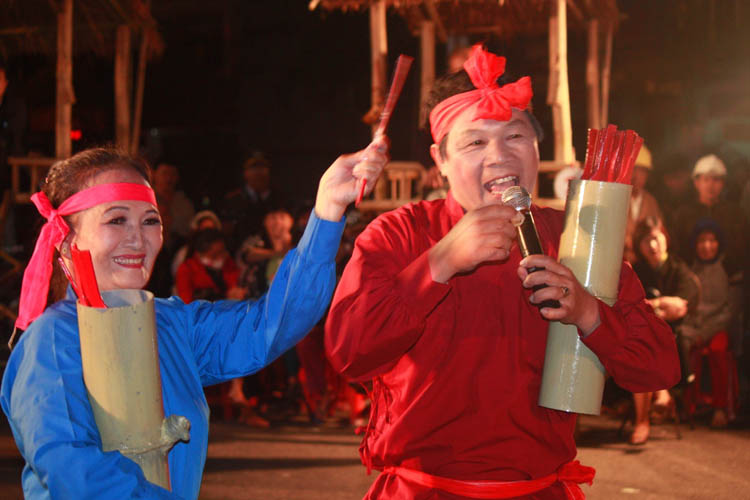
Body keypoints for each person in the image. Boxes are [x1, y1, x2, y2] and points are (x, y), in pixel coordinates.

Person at [325, 45, 680, 499]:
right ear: (440, 160)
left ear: (536, 147)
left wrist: (589, 313)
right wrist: (440, 262)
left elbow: (659, 367)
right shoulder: (399, 234)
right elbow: (348, 352)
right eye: (475, 142)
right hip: (423, 491)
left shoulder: (577, 239)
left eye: (515, 136)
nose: (500, 156)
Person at [1, 141, 388, 499]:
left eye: (150, 220)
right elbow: (76, 472)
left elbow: (272, 324)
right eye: (116, 220)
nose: (138, 238)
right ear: (67, 240)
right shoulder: (52, 340)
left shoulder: (171, 325)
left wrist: (327, 210)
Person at [630, 216, 700, 444]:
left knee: (647, 346)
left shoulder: (679, 269)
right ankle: (660, 394)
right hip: (639, 338)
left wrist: (651, 306)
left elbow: (679, 308)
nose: (652, 245)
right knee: (641, 346)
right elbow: (627, 306)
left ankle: (643, 421)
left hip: (676, 338)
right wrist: (661, 306)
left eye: (656, 238)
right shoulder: (635, 271)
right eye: (646, 241)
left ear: (665, 238)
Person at [682, 218, 736, 428]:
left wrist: (704, 333)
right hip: (694, 327)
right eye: (702, 241)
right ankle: (687, 406)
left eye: (711, 240)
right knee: (682, 347)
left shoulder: (728, 270)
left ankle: (720, 408)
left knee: (718, 350)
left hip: (718, 328)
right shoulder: (690, 271)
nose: (706, 246)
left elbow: (730, 312)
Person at [624, 145, 662, 263]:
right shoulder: (616, 199)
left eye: (641, 171)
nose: (635, 175)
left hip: (645, 264)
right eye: (632, 169)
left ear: (647, 175)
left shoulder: (651, 202)